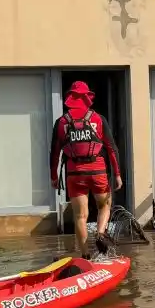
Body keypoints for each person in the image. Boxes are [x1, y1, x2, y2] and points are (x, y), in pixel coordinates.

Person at [50, 81, 123, 259]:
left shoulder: (61, 122)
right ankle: (100, 233)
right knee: (105, 205)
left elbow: (54, 153)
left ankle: (85, 256)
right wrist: (118, 174)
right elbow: (112, 148)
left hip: (74, 174)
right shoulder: (98, 119)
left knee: (80, 216)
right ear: (86, 97)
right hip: (98, 171)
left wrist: (54, 177)